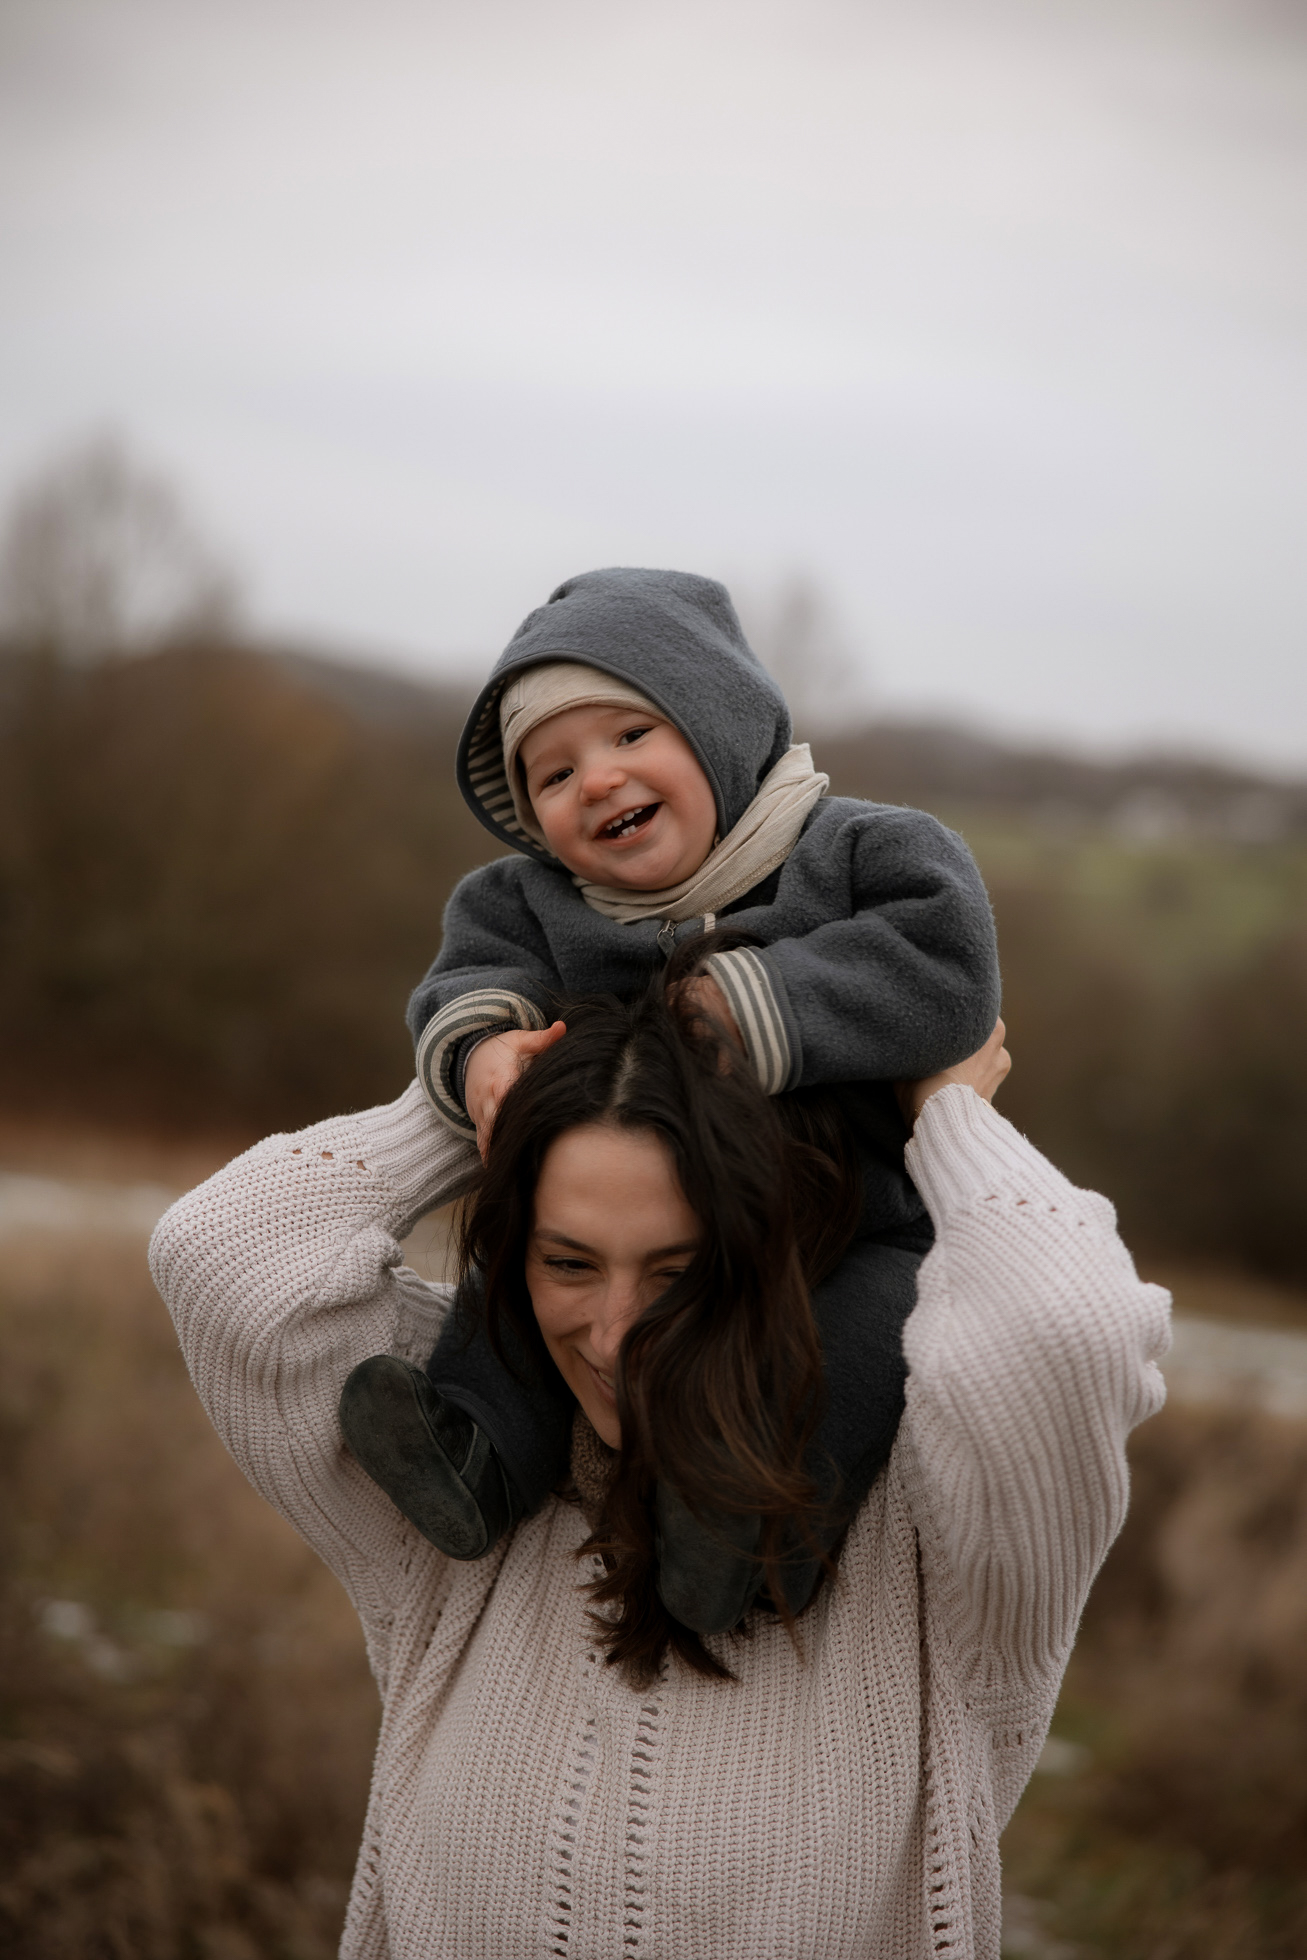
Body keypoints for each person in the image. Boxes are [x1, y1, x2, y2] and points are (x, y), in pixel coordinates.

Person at [150, 1002, 1169, 1960]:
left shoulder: (932, 1535)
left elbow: (1061, 1328)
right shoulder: (452, 1513)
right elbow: (226, 1256)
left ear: (770, 1263)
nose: (615, 1334)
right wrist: (479, 1078)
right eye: (568, 1260)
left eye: (678, 1273)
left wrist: (939, 1113)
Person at [341, 565, 1002, 1632]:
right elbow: (465, 978)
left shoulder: (859, 853)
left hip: (848, 1224)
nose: (593, 779)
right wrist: (482, 1055)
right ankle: (471, 1450)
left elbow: (946, 969)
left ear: (722, 725)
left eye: (628, 736)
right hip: (630, 1230)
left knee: (869, 1334)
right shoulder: (529, 902)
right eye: (550, 772)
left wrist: (750, 1004)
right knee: (526, 1264)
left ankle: (742, 1528)